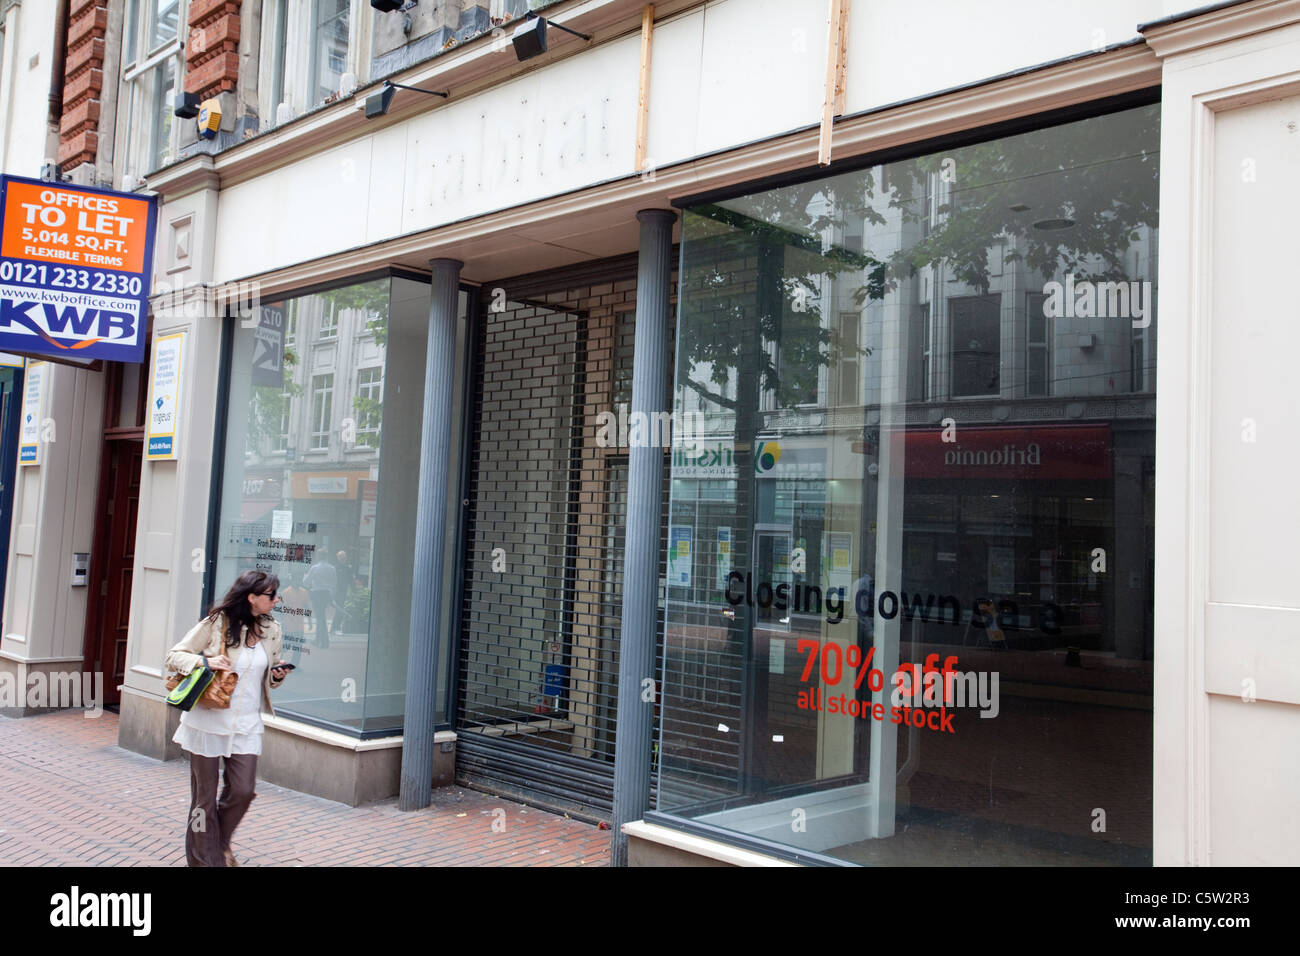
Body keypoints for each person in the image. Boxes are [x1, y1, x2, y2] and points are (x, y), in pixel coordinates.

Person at [164, 570, 292, 867]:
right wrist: (205, 661)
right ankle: (203, 862)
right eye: (271, 595)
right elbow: (174, 655)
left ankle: (219, 845)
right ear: (251, 597)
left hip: (247, 723)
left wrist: (278, 674)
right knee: (204, 802)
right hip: (208, 721)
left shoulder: (272, 629)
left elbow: (268, 676)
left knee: (243, 791)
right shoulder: (216, 623)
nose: (276, 600)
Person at [304, 553, 337, 648]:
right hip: (326, 593)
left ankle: (325, 641)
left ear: (318, 557)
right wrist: (332, 596)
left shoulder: (314, 568)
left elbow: (306, 582)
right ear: (326, 557)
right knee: (321, 616)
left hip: (317, 593)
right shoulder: (332, 568)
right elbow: (334, 583)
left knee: (320, 617)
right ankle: (317, 639)